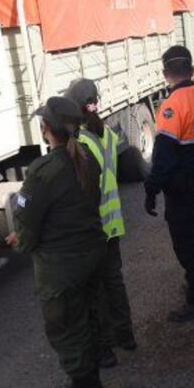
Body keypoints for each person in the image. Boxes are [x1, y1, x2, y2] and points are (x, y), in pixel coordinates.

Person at [6, 96, 106, 388]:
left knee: (65, 326)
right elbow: (80, 204)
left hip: (60, 265)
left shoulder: (43, 169)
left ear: (46, 127)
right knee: (87, 317)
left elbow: (27, 220)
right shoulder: (87, 156)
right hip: (90, 253)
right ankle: (91, 381)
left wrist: (21, 240)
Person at [144, 45, 194, 323]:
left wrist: (151, 189)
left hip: (182, 189)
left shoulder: (171, 107)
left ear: (166, 74)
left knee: (187, 242)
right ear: (192, 70)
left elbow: (163, 159)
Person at [65, 78, 137, 369]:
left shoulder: (79, 143)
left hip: (94, 226)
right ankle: (126, 336)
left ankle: (105, 349)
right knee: (114, 283)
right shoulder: (106, 133)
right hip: (113, 222)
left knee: (96, 292)